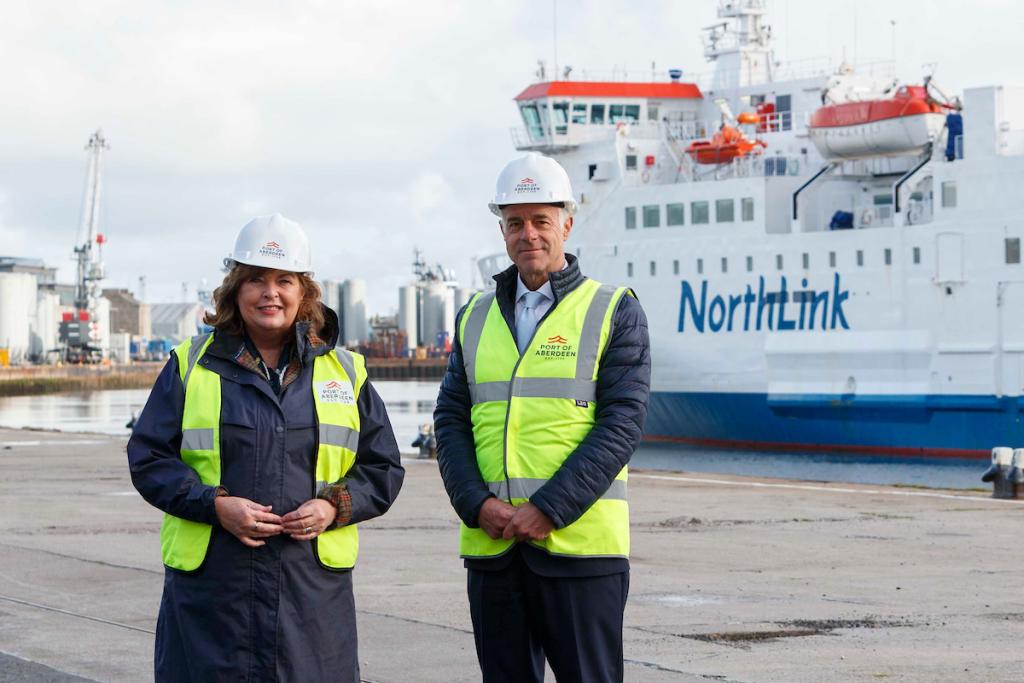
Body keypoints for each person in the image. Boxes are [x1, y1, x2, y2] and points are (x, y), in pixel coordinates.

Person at [127, 214, 404, 682]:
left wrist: (333, 506)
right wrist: (215, 505)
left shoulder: (345, 371)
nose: (269, 293)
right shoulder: (190, 366)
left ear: (304, 292)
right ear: (236, 289)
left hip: (310, 592)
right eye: (255, 279)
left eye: (284, 281)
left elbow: (383, 467)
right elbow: (149, 459)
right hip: (214, 591)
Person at [434, 153, 651, 683]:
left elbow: (621, 424)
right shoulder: (474, 317)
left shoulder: (613, 309)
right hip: (494, 548)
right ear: (503, 231)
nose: (528, 234)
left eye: (540, 220)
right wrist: (475, 504)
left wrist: (549, 509)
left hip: (579, 549)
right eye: (515, 223)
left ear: (567, 224)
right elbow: (451, 419)